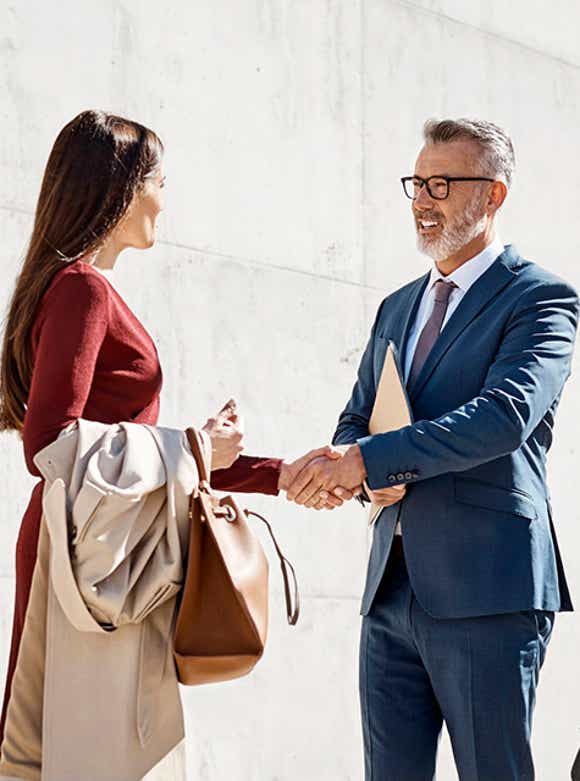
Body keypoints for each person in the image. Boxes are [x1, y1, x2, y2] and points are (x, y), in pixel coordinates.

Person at [0, 110, 350, 780]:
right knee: (58, 755)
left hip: (103, 554)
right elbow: (48, 442)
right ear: (122, 188)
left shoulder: (83, 288)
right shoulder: (81, 288)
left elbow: (163, 459)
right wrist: (194, 443)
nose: (165, 194)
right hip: (85, 563)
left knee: (77, 753)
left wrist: (280, 473)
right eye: (159, 179)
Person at [285, 118, 579, 779]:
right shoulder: (396, 306)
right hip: (389, 591)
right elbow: (356, 418)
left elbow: (503, 416)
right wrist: (356, 468)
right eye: (417, 182)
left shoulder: (541, 298)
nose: (423, 198)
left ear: (494, 194)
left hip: (489, 592)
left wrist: (372, 459)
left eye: (441, 182)